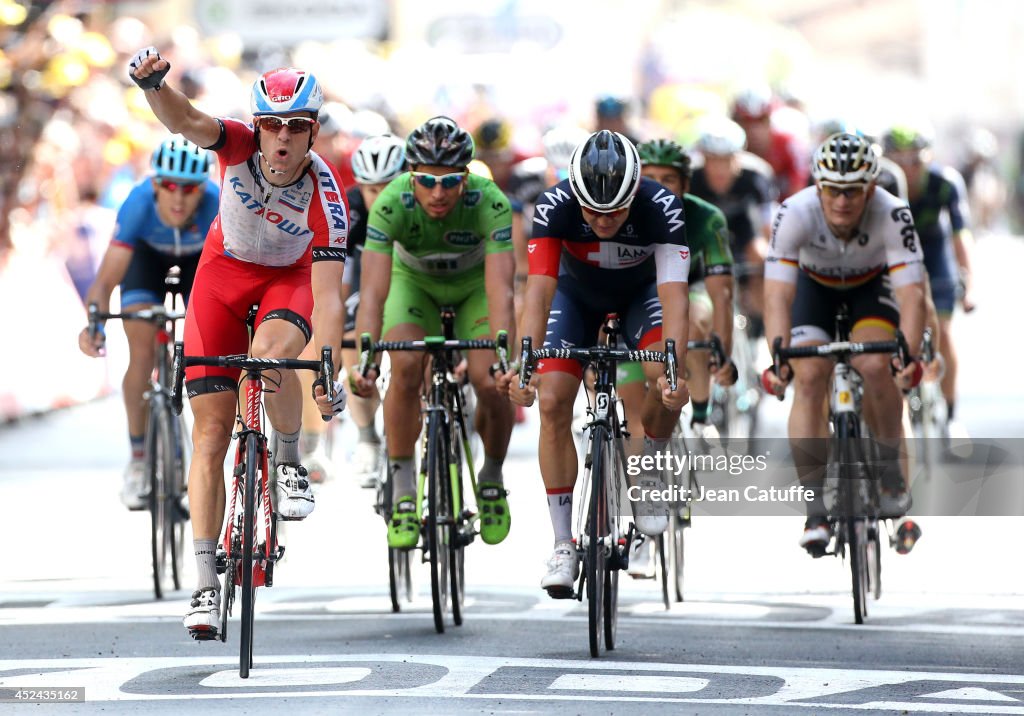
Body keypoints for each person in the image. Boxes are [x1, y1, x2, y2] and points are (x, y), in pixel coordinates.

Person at [127, 48, 349, 637]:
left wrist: (327, 373)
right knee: (209, 434)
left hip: (288, 280)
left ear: (313, 131)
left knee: (271, 357)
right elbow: (187, 120)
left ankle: (290, 459)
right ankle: (203, 586)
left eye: (295, 126)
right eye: (271, 124)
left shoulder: (328, 196)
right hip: (221, 277)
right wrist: (154, 87)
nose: (281, 138)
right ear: (256, 126)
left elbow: (327, 300)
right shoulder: (236, 145)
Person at [497, 130, 690, 596]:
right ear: (574, 194)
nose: (604, 220)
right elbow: (539, 292)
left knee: (660, 379)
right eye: (592, 211)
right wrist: (525, 366)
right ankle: (563, 543)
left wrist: (674, 371)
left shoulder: (662, 205)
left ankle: (650, 472)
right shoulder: (553, 204)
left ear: (635, 193)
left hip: (642, 296)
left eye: (617, 211)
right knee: (552, 400)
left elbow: (674, 295)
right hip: (575, 296)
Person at [349, 116, 516, 549]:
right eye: (426, 181)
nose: (438, 193)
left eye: (450, 182)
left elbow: (501, 290)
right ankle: (403, 489)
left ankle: (492, 477)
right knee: (404, 365)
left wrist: (505, 358)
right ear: (410, 176)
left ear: (467, 177)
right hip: (414, 284)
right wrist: (367, 359)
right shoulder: (389, 203)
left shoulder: (489, 201)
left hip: (473, 287)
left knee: (489, 381)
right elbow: (373, 291)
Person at [761, 133, 927, 554]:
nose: (842, 201)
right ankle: (815, 509)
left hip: (871, 290)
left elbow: (911, 296)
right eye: (833, 190)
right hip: (812, 292)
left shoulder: (893, 214)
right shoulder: (794, 212)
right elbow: (777, 296)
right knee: (810, 376)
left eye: (853, 190)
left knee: (876, 366)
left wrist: (907, 356)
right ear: (818, 187)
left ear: (871, 188)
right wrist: (778, 359)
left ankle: (890, 472)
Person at [77, 137, 219, 509]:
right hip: (146, 260)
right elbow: (106, 280)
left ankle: (205, 467)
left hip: (198, 263)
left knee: (209, 347)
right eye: (169, 185)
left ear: (202, 189)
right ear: (155, 184)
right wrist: (95, 323)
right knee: (141, 353)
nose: (179, 197)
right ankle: (139, 460)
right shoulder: (138, 203)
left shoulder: (217, 205)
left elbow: (232, 278)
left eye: (189, 189)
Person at [625, 138, 737, 577]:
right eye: (648, 178)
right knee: (634, 418)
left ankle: (702, 412)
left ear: (685, 184)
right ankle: (641, 522)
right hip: (634, 299)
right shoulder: (621, 207)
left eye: (667, 180)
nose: (657, 187)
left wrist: (722, 347)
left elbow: (721, 291)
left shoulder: (706, 217)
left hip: (684, 293)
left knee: (695, 319)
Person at [884, 125, 977, 441]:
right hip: (895, 255)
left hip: (935, 254)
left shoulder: (945, 183)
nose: (908, 168)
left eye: (915, 160)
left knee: (944, 332)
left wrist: (969, 283)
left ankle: (951, 415)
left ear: (929, 158)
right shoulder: (883, 183)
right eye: (899, 160)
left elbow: (960, 236)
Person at [689, 116, 775, 336]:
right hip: (705, 236)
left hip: (743, 230)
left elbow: (768, 227)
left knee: (763, 256)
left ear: (738, 157)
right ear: (703, 158)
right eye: (712, 160)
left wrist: (770, 262)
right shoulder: (690, 178)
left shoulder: (756, 175)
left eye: (726, 160)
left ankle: (761, 323)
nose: (720, 169)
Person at [730, 86, 808, 200]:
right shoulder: (729, 148)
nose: (754, 129)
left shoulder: (790, 145)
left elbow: (798, 194)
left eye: (761, 119)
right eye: (747, 121)